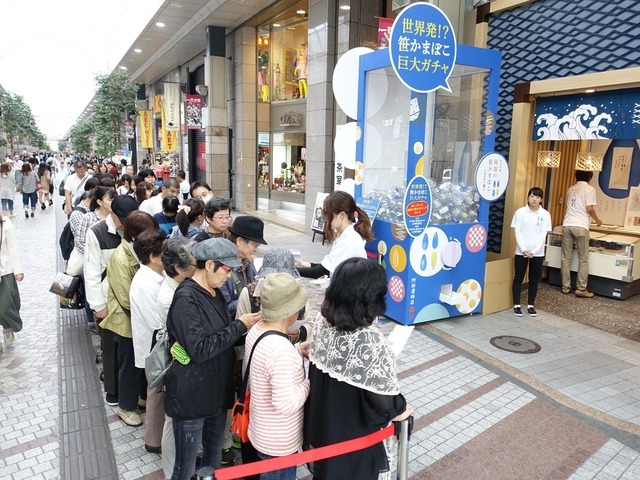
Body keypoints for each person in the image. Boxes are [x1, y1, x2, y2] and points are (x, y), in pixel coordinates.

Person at [304, 258, 413, 480]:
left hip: (325, 428)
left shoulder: (322, 320)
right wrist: (402, 408)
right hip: (354, 441)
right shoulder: (369, 339)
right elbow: (383, 403)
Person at [164, 238, 261, 480]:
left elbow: (223, 338)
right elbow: (199, 349)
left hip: (217, 392)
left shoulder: (214, 292)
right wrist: (240, 326)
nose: (228, 276)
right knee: (185, 468)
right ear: (209, 265)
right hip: (191, 395)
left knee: (213, 460)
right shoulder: (186, 297)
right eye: (226, 269)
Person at [244, 273, 310, 480]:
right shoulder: (281, 351)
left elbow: (267, 365)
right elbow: (285, 404)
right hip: (278, 441)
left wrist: (298, 350)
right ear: (289, 311)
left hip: (261, 428)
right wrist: (310, 382)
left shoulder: (257, 329)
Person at [100, 211, 158, 427]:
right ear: (134, 236)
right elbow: (126, 299)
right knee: (130, 366)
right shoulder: (121, 258)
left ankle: (141, 397)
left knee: (143, 363)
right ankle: (126, 406)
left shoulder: (140, 252)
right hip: (126, 321)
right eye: (148, 233)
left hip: (141, 319)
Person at [84, 194, 139, 407]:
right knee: (111, 349)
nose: (125, 222)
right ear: (112, 213)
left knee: (128, 350)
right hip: (108, 302)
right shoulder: (97, 232)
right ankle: (112, 391)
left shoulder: (135, 228)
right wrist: (98, 306)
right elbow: (91, 271)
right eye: (122, 218)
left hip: (131, 301)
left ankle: (130, 391)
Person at [157, 238, 196, 479]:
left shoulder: (177, 287)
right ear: (179, 269)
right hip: (177, 360)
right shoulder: (171, 297)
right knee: (173, 421)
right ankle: (172, 470)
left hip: (179, 358)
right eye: (192, 264)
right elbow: (181, 341)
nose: (197, 267)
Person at [129, 228, 167, 451]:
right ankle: (153, 441)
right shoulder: (144, 283)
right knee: (156, 394)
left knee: (159, 393)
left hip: (158, 343)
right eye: (164, 251)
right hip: (154, 346)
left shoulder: (156, 274)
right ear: (153, 257)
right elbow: (156, 322)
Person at [296, 191, 373, 279]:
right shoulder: (349, 233)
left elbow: (318, 272)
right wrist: (303, 264)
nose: (326, 219)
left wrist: (288, 270)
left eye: (328, 214)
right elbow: (328, 266)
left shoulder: (349, 241)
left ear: (342, 215)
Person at [511, 187, 552, 317]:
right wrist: (523, 249)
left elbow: (543, 234)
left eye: (537, 197)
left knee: (534, 280)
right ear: (528, 197)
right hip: (521, 251)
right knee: (518, 278)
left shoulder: (545, 214)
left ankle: (530, 305)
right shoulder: (520, 212)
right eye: (532, 196)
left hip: (537, 253)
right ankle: (517, 305)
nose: (534, 199)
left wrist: (533, 251)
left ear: (541, 199)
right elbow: (517, 231)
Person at [561, 170, 602, 298]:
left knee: (565, 258)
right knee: (583, 258)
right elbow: (589, 208)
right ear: (590, 177)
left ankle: (565, 286)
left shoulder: (570, 189)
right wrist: (597, 220)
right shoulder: (589, 189)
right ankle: (581, 289)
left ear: (575, 176)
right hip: (581, 226)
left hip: (567, 224)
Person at [221, 216, 267, 318]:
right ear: (239, 241)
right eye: (254, 244)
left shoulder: (249, 263)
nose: (256, 249)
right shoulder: (221, 267)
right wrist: (247, 298)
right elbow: (223, 310)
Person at [0, 215, 24, 353]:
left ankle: (7, 326)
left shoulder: (4, 222)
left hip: (4, 271)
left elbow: (13, 248)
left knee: (5, 307)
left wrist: (18, 270)